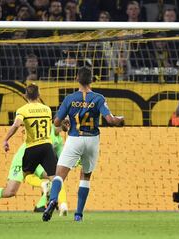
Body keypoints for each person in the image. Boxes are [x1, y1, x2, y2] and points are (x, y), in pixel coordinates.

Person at [42, 67, 124, 222]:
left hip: (75, 138)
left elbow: (57, 122)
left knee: (59, 175)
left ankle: (53, 200)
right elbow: (111, 120)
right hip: (92, 140)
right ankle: (78, 215)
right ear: (92, 80)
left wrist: (66, 122)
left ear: (76, 79)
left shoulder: (70, 98)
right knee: (85, 176)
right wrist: (120, 119)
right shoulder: (99, 98)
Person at [0, 84, 60, 212]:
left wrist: (6, 139)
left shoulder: (22, 110)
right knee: (11, 191)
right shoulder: (47, 109)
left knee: (54, 179)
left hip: (39, 149)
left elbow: (16, 125)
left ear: (25, 96)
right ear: (39, 95)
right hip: (32, 152)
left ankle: (43, 204)